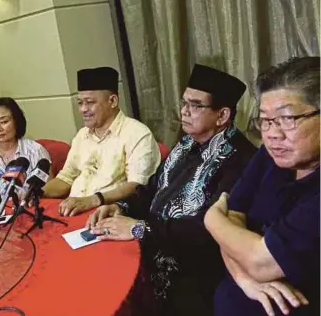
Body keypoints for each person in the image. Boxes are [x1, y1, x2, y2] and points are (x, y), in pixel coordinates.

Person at [88, 64, 257, 315]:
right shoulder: (187, 143)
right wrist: (120, 207)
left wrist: (139, 228)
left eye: (195, 105)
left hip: (195, 271)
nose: (184, 111)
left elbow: (209, 231)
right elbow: (153, 189)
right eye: (184, 102)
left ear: (222, 116)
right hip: (153, 243)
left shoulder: (241, 160)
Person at [204, 56, 320, 316]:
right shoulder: (271, 155)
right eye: (265, 121)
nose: (272, 134)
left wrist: (211, 219)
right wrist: (247, 282)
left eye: (287, 119)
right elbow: (233, 217)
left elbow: (262, 261)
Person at [42, 67, 161, 216]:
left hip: (108, 215)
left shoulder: (137, 134)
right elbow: (66, 178)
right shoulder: (82, 135)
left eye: (90, 102)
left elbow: (137, 186)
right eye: (80, 103)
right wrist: (37, 192)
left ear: (112, 101)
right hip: (72, 212)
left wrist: (93, 200)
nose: (83, 109)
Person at [0, 97, 52, 196]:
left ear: (16, 122)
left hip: (33, 208)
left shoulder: (36, 151)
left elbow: (50, 191)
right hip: (3, 211)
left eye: (4, 122)